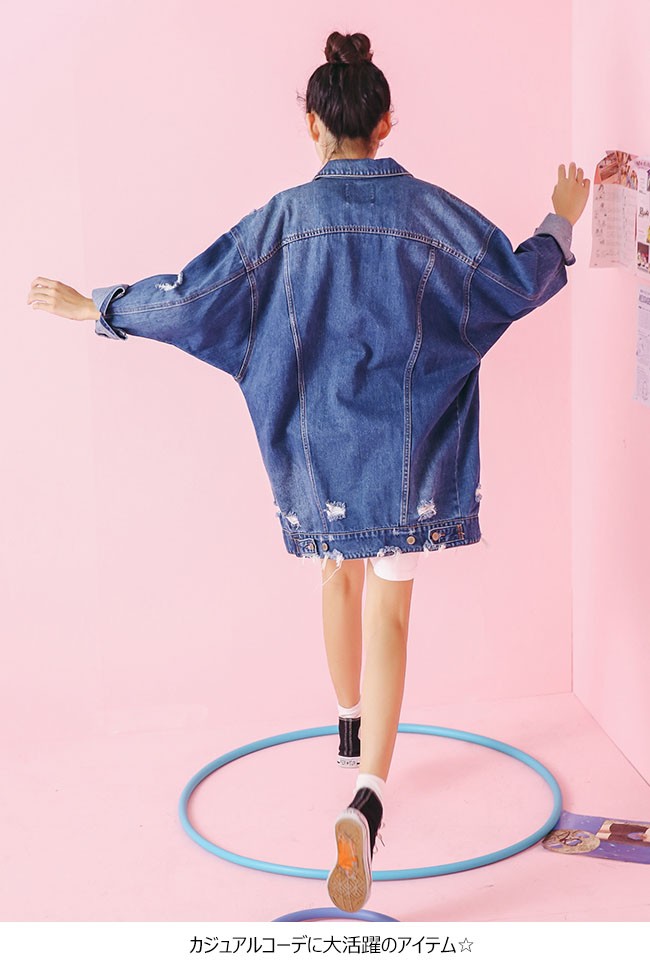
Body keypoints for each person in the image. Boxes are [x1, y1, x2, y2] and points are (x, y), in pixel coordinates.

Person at [27, 29, 590, 914]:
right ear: (386, 120)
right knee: (391, 613)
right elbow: (515, 284)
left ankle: (348, 726)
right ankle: (367, 798)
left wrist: (97, 308)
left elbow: (192, 299)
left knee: (338, 577)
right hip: (409, 462)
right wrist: (561, 218)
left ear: (312, 124)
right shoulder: (432, 212)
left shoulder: (283, 220)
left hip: (319, 460)